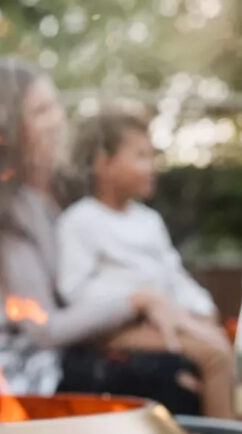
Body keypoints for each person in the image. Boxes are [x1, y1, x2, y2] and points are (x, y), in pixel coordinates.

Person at [0, 58, 198, 396]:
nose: (56, 121)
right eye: (40, 112)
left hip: (71, 350)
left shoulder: (65, 196)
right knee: (165, 380)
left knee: (184, 364)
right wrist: (135, 301)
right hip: (22, 371)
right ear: (6, 130)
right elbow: (44, 330)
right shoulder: (7, 216)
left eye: (54, 107)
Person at [56, 107, 233, 418]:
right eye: (140, 156)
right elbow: (75, 290)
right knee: (215, 357)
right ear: (103, 162)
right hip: (118, 329)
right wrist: (138, 301)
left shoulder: (147, 220)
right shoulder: (81, 220)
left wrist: (203, 312)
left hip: (162, 318)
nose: (152, 167)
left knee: (221, 342)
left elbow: (173, 275)